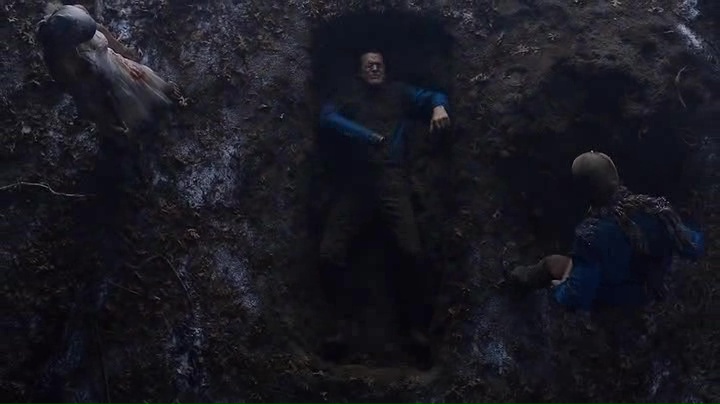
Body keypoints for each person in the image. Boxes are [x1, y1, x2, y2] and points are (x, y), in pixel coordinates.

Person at [317, 51, 451, 364]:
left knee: (411, 252)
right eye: (369, 65)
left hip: (392, 181)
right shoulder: (349, 95)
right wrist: (365, 136)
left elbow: (432, 96)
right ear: (360, 71)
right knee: (330, 253)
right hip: (357, 182)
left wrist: (439, 106)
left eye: (379, 64)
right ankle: (341, 326)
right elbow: (327, 117)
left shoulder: (399, 93)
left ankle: (415, 328)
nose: (375, 68)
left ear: (385, 69)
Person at [507, 151, 705, 311]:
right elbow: (693, 245)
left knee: (552, 263)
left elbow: (578, 294)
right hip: (658, 281)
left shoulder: (591, 235)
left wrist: (559, 291)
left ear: (582, 192)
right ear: (616, 176)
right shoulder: (653, 208)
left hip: (628, 295)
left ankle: (515, 282)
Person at [36, 3, 178, 136]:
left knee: (143, 85)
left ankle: (160, 106)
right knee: (126, 113)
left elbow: (101, 30)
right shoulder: (61, 60)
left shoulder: (78, 16)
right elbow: (77, 92)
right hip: (100, 86)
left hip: (115, 63)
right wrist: (102, 118)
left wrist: (123, 50)